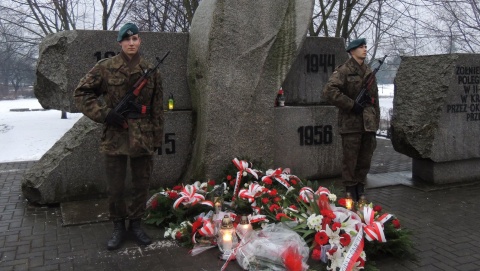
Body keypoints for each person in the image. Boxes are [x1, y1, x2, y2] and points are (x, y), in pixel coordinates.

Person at [73, 23, 164, 250]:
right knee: (115, 187)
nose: (131, 43)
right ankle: (117, 227)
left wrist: (156, 138)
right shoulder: (106, 67)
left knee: (141, 184)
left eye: (135, 39)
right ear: (120, 42)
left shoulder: (151, 70)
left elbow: (157, 108)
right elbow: (81, 93)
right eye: (127, 39)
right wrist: (105, 114)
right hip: (115, 136)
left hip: (142, 136)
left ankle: (135, 224)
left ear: (140, 41)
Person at [322, 38, 380, 202]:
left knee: (365, 159)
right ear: (352, 51)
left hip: (368, 124)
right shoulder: (344, 70)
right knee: (350, 160)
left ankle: (360, 189)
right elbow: (329, 91)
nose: (365, 49)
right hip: (351, 123)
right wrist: (350, 105)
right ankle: (349, 191)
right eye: (361, 47)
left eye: (365, 46)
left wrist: (375, 122)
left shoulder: (369, 71)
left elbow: (375, 100)